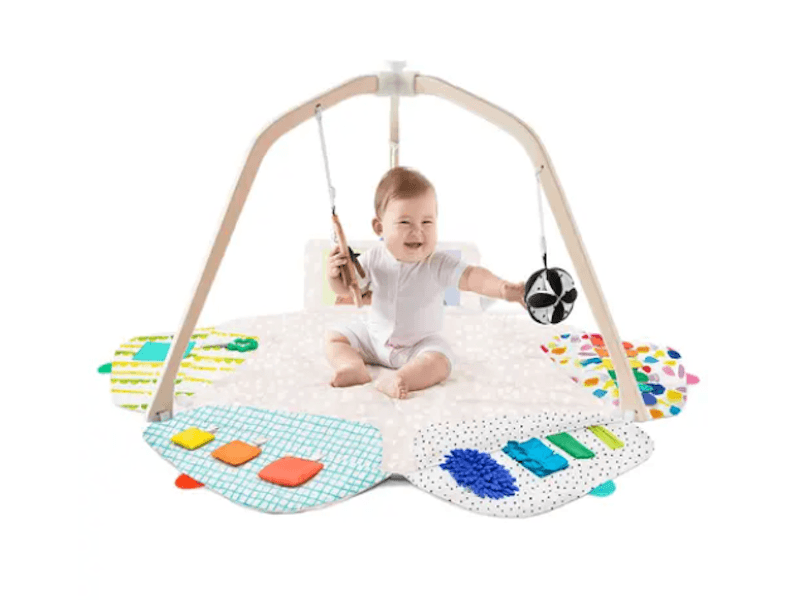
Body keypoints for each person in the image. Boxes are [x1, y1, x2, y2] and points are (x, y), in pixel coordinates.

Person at [325, 166, 525, 399]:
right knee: (335, 337)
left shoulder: (437, 263)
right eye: (405, 222)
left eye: (427, 222)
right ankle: (352, 366)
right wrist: (334, 276)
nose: (417, 231)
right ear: (380, 227)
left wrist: (502, 289)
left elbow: (472, 277)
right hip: (374, 339)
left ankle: (402, 378)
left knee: (440, 360)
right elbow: (349, 289)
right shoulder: (372, 258)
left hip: (418, 346)